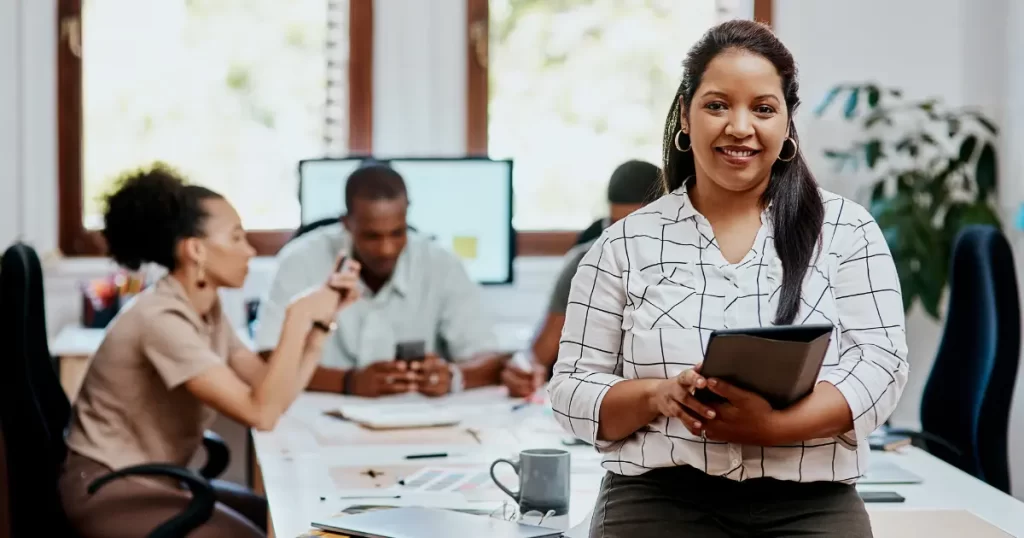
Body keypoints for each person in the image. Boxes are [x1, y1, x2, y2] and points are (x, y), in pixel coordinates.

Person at [548, 20, 909, 538]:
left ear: (786, 124)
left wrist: (774, 429)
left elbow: (881, 367)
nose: (740, 127)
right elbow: (571, 390)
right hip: (657, 501)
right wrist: (657, 395)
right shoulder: (623, 244)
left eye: (763, 109)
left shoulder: (848, 231)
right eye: (717, 105)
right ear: (685, 116)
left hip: (810, 504)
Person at [58, 164, 360, 538]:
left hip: (154, 481)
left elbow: (272, 392)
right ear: (196, 250)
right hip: (108, 489)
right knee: (270, 532)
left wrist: (316, 329)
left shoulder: (206, 310)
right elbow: (261, 413)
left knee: (281, 518)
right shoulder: (161, 319)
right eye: (236, 238)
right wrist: (296, 316)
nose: (249, 251)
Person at [255, 163, 507, 398]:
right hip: (319, 419)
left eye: (397, 233)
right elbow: (267, 357)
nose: (387, 249)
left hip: (418, 422)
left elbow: (488, 356)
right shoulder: (300, 260)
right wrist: (348, 382)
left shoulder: (442, 264)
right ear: (347, 223)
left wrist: (453, 376)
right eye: (372, 236)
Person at [501, 159, 662, 397]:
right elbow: (538, 356)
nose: (622, 240)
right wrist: (523, 371)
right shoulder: (585, 261)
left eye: (636, 227)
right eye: (615, 226)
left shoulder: (693, 264)